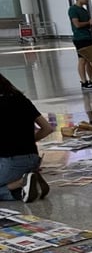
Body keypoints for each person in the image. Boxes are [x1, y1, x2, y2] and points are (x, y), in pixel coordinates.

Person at [0, 73, 52, 203]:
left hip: (10, 164)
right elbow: (47, 128)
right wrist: (25, 141)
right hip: (33, 160)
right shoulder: (21, 99)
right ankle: (29, 183)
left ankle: (21, 183)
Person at [69, 0, 92, 90]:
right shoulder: (73, 9)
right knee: (82, 60)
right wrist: (88, 23)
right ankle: (84, 82)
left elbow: (87, 25)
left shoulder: (84, 10)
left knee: (90, 60)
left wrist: (90, 24)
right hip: (80, 38)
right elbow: (77, 24)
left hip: (88, 37)